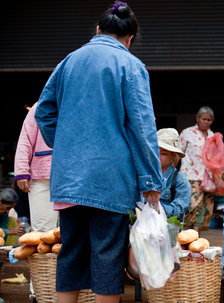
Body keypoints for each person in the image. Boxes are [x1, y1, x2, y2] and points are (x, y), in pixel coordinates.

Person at [34, 3, 163, 303]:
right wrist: (151, 181)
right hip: (110, 179)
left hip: (69, 179)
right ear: (130, 37)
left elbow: (44, 112)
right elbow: (142, 128)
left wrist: (66, 145)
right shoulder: (131, 66)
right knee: (107, 256)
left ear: (97, 30)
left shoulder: (69, 61)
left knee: (70, 254)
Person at [14, 103, 58, 233]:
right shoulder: (40, 107)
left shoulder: (77, 103)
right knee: (42, 230)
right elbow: (25, 138)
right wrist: (22, 171)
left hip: (72, 176)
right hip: (41, 175)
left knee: (70, 231)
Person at [177, 106, 215, 236]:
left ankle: (196, 235)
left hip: (208, 178)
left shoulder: (213, 136)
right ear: (197, 118)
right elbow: (178, 153)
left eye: (209, 120)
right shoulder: (187, 133)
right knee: (191, 206)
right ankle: (185, 235)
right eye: (204, 119)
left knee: (204, 207)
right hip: (190, 175)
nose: (206, 122)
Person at [157, 128, 191, 222]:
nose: (157, 157)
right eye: (154, 152)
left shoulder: (180, 180)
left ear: (173, 155)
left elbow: (179, 210)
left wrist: (155, 208)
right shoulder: (143, 175)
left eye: (163, 153)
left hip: (168, 232)